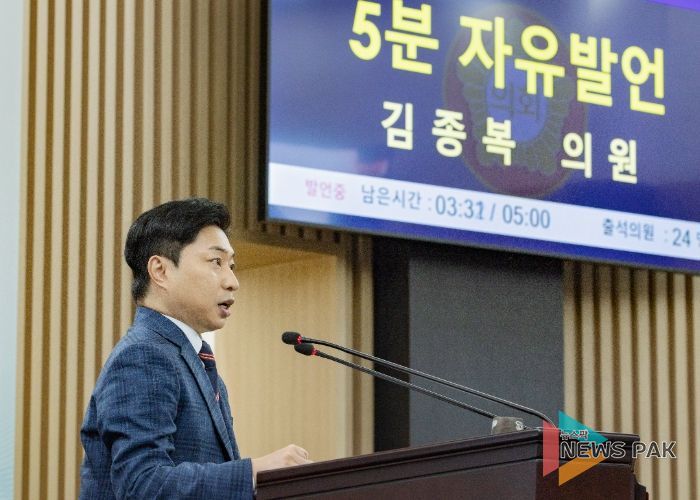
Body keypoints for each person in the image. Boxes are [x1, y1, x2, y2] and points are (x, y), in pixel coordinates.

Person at [79, 198, 311, 499]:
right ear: (160, 271)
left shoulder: (192, 359)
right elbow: (142, 484)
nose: (233, 282)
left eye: (232, 266)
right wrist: (254, 471)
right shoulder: (144, 355)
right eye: (216, 262)